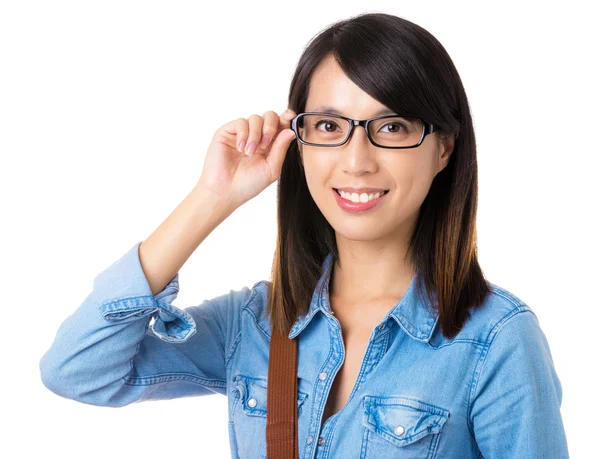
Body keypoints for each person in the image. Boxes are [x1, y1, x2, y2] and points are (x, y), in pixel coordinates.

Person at [39, 12, 569, 458]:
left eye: (392, 127)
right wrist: (211, 197)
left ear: (445, 148)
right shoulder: (254, 324)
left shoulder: (495, 339)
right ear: (301, 142)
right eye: (329, 127)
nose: (356, 161)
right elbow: (79, 370)